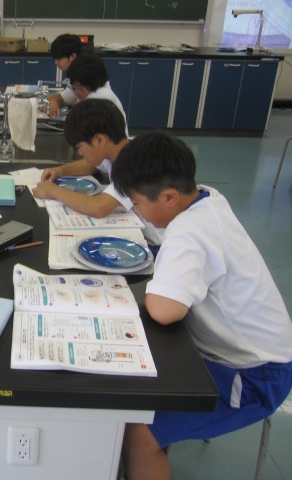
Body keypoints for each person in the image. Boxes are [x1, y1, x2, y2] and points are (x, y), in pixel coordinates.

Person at [110, 133, 292, 480]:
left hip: (255, 376)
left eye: (136, 203)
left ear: (169, 197)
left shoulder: (191, 231)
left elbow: (165, 310)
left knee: (139, 430)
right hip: (243, 354)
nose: (135, 211)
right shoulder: (205, 198)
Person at [33, 98, 130, 219]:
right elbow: (91, 164)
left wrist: (52, 191)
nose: (79, 153)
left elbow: (99, 207)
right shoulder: (115, 153)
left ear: (99, 140)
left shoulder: (131, 165)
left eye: (79, 147)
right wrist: (60, 171)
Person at [63, 54, 128, 134]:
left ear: (93, 84)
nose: (77, 92)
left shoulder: (101, 99)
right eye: (73, 88)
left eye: (80, 88)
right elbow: (62, 98)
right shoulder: (86, 87)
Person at [46, 33, 82, 119]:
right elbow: (63, 99)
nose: (56, 63)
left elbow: (81, 109)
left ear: (72, 56)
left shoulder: (85, 76)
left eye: (59, 59)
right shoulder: (76, 75)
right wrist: (53, 101)